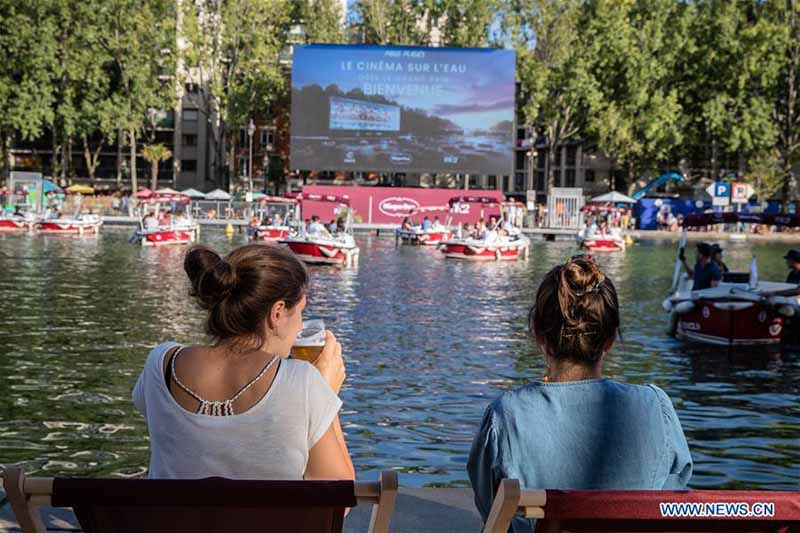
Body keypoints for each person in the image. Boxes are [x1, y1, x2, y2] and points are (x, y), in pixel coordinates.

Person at [468, 256, 692, 533]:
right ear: (610, 339)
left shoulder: (507, 415)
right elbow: (674, 498)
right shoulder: (656, 407)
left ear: (538, 333)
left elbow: (491, 510)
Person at [132, 244, 353, 481]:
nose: (300, 326)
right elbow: (338, 500)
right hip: (268, 520)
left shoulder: (161, 365)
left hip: (168, 519)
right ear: (277, 312)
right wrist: (326, 395)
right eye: (299, 313)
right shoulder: (303, 381)